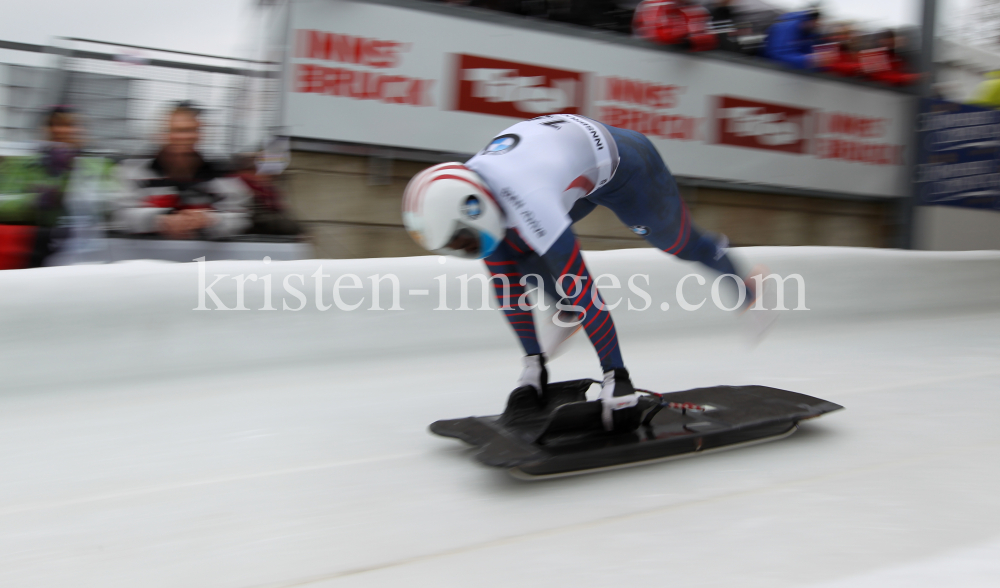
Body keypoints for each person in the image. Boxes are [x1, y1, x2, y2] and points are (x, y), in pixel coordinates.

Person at [402, 114, 760, 432]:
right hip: (570, 163)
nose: (464, 250)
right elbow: (506, 284)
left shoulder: (530, 200)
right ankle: (565, 310)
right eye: (453, 247)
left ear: (473, 208)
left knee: (682, 246)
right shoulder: (471, 189)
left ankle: (744, 283)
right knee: (515, 252)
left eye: (461, 241)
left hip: (628, 168)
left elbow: (585, 289)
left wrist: (615, 376)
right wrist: (533, 367)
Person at [0, 106, 119, 268]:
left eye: (69, 125)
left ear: (82, 131)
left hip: (82, 253)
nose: (59, 130)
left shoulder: (100, 166)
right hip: (28, 250)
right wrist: (33, 201)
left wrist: (68, 176)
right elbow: (3, 204)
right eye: (52, 124)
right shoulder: (19, 164)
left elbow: (110, 206)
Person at [115, 101, 250, 240]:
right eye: (175, 130)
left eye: (190, 130)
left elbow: (240, 216)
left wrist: (209, 219)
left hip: (205, 259)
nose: (183, 137)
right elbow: (119, 216)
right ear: (159, 134)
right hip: (144, 258)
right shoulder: (134, 171)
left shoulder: (220, 172)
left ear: (200, 135)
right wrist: (161, 220)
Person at [762, 9, 828, 70]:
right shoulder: (785, 28)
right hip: (770, 70)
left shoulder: (808, 32)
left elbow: (808, 52)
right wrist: (809, 59)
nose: (817, 24)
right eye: (815, 21)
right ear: (809, 20)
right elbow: (779, 55)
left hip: (795, 71)